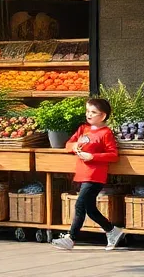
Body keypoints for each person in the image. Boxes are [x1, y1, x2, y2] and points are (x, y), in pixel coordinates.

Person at [52, 97, 125, 250]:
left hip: (96, 174)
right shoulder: (82, 129)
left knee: (80, 204)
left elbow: (113, 154)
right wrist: (75, 147)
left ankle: (71, 238)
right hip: (82, 172)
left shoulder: (105, 133)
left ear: (103, 116)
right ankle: (112, 230)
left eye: (93, 112)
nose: (89, 115)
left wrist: (93, 157)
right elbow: (68, 144)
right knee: (90, 208)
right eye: (88, 111)